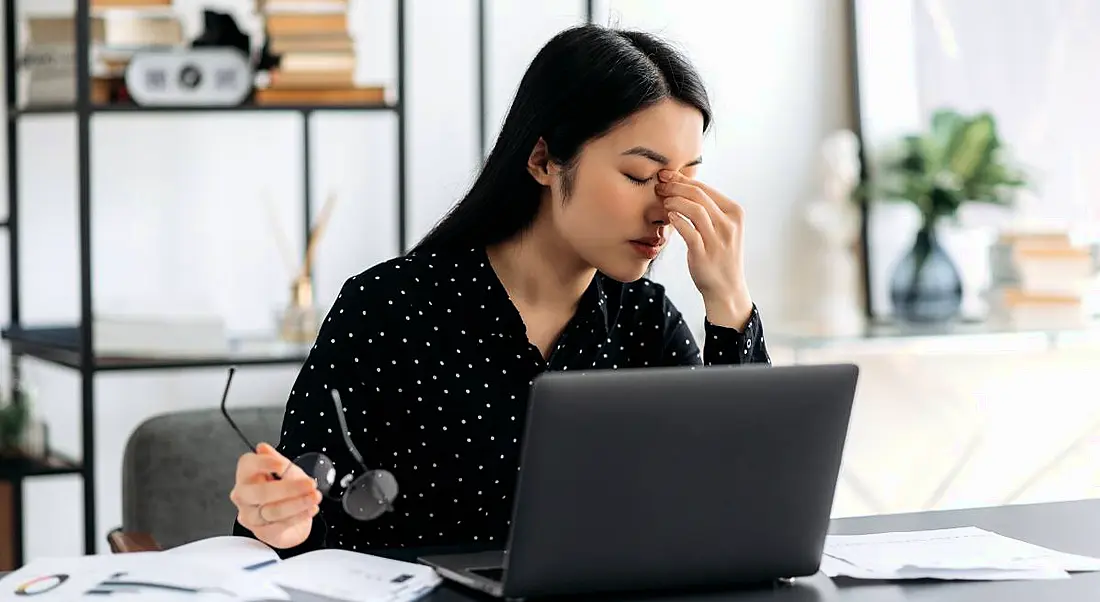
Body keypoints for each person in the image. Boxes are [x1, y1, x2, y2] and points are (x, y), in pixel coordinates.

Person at [229, 23, 772, 558]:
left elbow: (744, 511)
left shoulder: (645, 323)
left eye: (685, 179)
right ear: (543, 160)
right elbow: (293, 524)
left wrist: (729, 305)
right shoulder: (387, 309)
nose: (665, 210)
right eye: (639, 175)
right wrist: (276, 518)